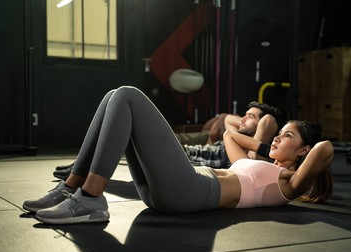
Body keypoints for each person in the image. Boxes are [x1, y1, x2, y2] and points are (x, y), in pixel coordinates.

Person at [23, 86, 334, 225]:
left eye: (288, 136)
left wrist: (284, 153)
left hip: (190, 190)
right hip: (176, 188)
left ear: (303, 151)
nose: (278, 136)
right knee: (113, 97)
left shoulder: (287, 183)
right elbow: (228, 135)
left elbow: (325, 148)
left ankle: (90, 199)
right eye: (280, 133)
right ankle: (71, 188)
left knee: (129, 96)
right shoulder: (258, 167)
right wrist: (267, 150)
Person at [52, 101, 280, 180]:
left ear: (262, 125)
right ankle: (79, 168)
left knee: (128, 123)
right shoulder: (236, 136)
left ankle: (79, 171)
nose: (242, 119)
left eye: (250, 117)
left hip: (181, 157)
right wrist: (248, 119)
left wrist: (263, 119)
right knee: (123, 134)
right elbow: (227, 119)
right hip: (182, 149)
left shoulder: (250, 154)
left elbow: (268, 121)